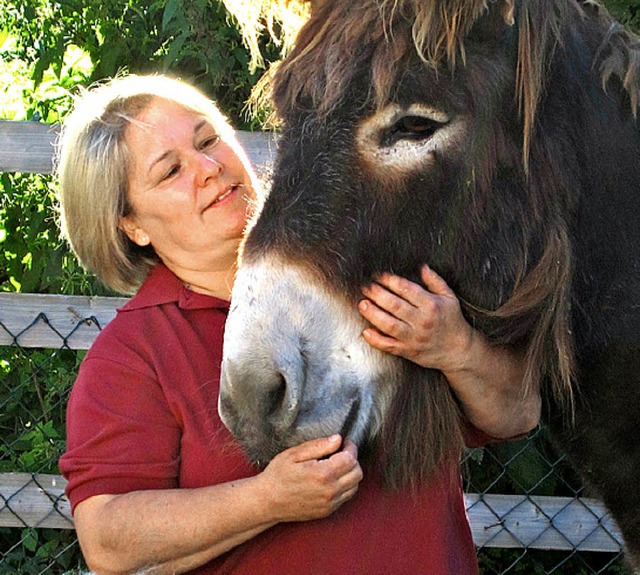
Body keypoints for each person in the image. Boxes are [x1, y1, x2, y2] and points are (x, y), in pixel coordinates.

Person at [57, 74, 539, 575]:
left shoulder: (367, 270)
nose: (207, 168)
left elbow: (517, 414)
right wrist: (266, 501)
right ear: (131, 225)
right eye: (170, 170)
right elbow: (108, 539)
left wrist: (455, 348)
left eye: (208, 140)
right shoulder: (135, 353)